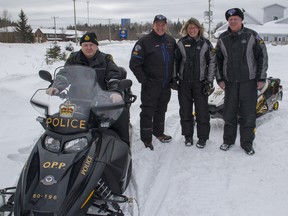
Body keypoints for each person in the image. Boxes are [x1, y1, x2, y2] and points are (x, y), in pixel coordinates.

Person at [46, 32, 130, 145]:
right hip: (77, 99)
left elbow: (113, 76)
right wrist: (56, 87)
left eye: (91, 44)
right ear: (81, 46)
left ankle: (123, 146)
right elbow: (65, 74)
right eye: (85, 45)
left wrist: (114, 91)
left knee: (122, 114)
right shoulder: (73, 58)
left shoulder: (106, 59)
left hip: (101, 100)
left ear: (96, 46)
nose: (88, 48)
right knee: (57, 121)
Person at [215, 8, 268, 155]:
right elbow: (217, 61)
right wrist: (219, 79)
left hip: (249, 82)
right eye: (230, 19)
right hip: (230, 83)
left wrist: (261, 78)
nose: (233, 21)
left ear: (241, 20)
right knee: (229, 113)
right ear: (228, 21)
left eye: (236, 19)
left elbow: (262, 56)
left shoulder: (252, 35)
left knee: (248, 114)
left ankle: (247, 143)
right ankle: (228, 141)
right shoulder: (222, 38)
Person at [129, 14, 176, 150]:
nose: (160, 27)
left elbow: (175, 62)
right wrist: (145, 81)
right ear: (153, 25)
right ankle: (146, 138)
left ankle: (159, 133)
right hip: (151, 85)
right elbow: (134, 64)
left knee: (161, 110)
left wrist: (173, 79)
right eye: (158, 24)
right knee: (148, 111)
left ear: (166, 26)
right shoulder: (144, 42)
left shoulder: (170, 41)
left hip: (166, 85)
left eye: (163, 25)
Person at [172, 18, 216, 148]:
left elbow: (212, 63)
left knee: (202, 112)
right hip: (184, 83)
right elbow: (175, 61)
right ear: (186, 29)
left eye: (194, 28)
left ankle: (202, 137)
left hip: (200, 83)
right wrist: (174, 78)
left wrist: (209, 81)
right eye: (189, 28)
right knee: (185, 111)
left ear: (199, 29)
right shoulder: (181, 43)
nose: (192, 30)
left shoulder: (206, 44)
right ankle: (188, 136)